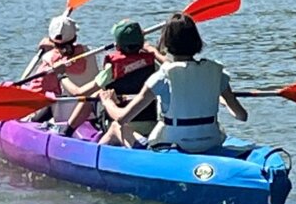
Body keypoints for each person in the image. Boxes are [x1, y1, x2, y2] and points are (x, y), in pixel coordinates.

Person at [105, 12, 247, 151]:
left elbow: (122, 118)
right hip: (211, 142)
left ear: (167, 43)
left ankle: (91, 160)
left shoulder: (161, 77)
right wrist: (222, 98)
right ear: (196, 41)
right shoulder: (216, 72)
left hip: (172, 146)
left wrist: (107, 102)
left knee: (116, 126)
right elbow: (241, 116)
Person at [61, 20, 158, 140]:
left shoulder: (112, 69)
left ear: (117, 46)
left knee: (95, 93)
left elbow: (79, 93)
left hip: (118, 123)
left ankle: (67, 131)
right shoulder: (154, 64)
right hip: (150, 126)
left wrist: (61, 76)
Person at [27, 14, 97, 126]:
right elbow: (70, 52)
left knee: (50, 99)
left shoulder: (50, 61)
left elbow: (36, 90)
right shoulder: (89, 51)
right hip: (94, 110)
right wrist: (53, 45)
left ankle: (32, 121)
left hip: (67, 114)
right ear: (75, 37)